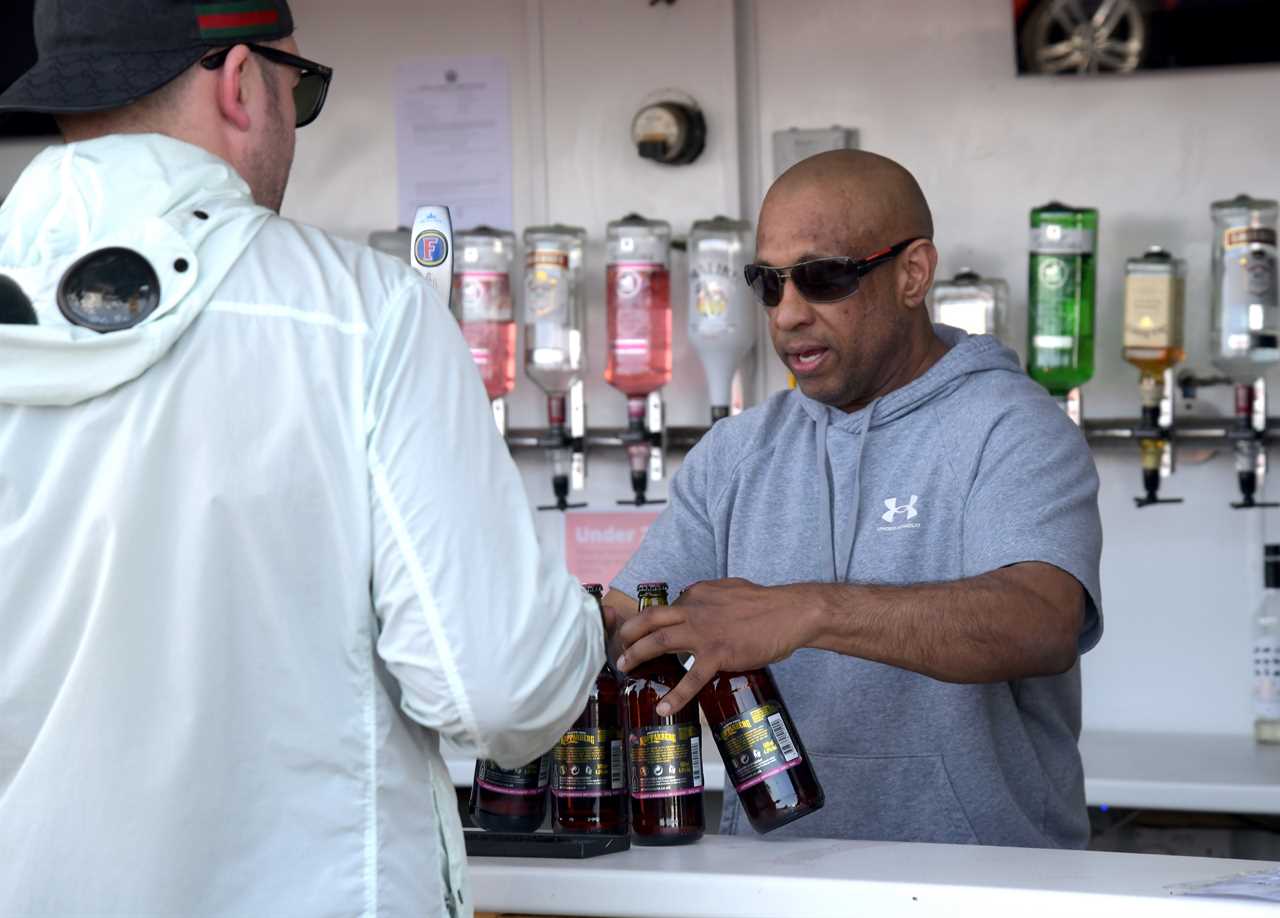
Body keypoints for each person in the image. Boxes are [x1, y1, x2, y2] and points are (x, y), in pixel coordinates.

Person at [0, 2, 603, 915]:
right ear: (242, 83)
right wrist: (587, 624)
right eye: (303, 89)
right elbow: (501, 693)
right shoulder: (363, 315)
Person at [606, 150, 1103, 849]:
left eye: (823, 278)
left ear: (913, 272)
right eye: (769, 284)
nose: (788, 315)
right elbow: (630, 621)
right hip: (768, 892)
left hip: (982, 891)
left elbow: (1042, 622)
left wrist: (807, 610)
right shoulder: (736, 453)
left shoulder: (1011, 426)